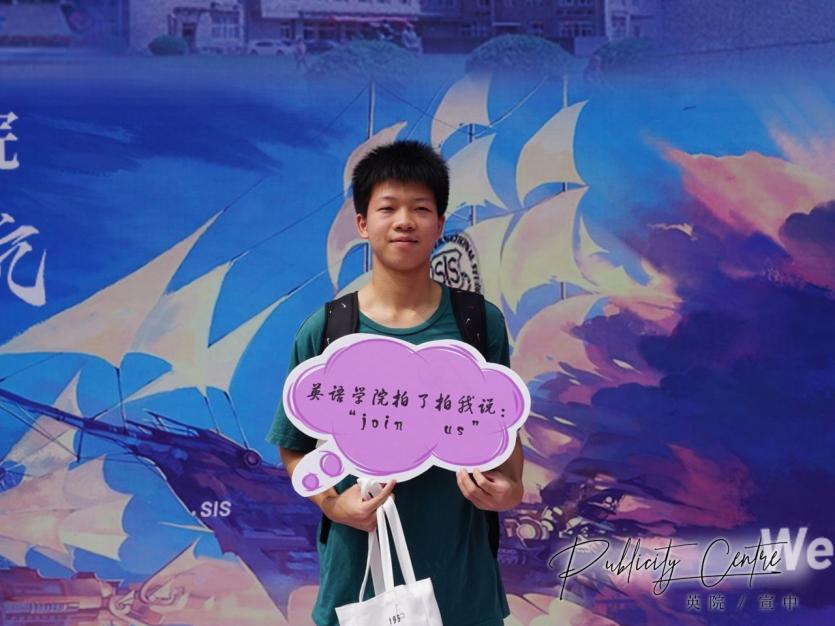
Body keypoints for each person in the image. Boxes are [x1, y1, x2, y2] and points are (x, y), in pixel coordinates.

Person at [267, 140, 524, 626]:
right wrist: (335, 505)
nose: (404, 221)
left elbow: (506, 440)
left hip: (463, 587)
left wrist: (509, 490)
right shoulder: (328, 331)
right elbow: (294, 446)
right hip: (359, 586)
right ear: (362, 223)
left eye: (421, 209)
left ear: (440, 224)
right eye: (388, 208)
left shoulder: (477, 323)